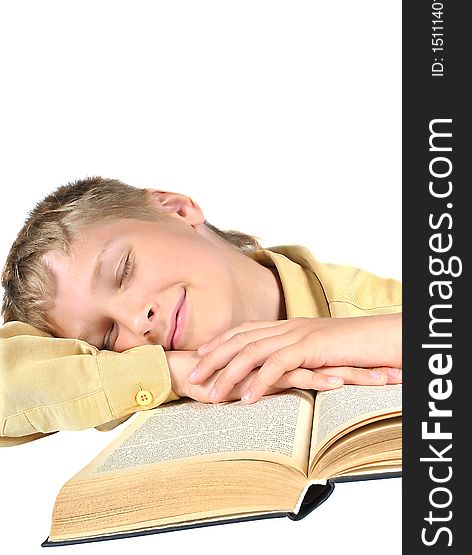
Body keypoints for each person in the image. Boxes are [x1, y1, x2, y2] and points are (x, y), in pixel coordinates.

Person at [0, 177, 402, 447]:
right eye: (106, 336)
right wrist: (171, 372)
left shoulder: (379, 304)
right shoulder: (139, 380)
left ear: (176, 209)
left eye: (124, 271)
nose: (136, 321)